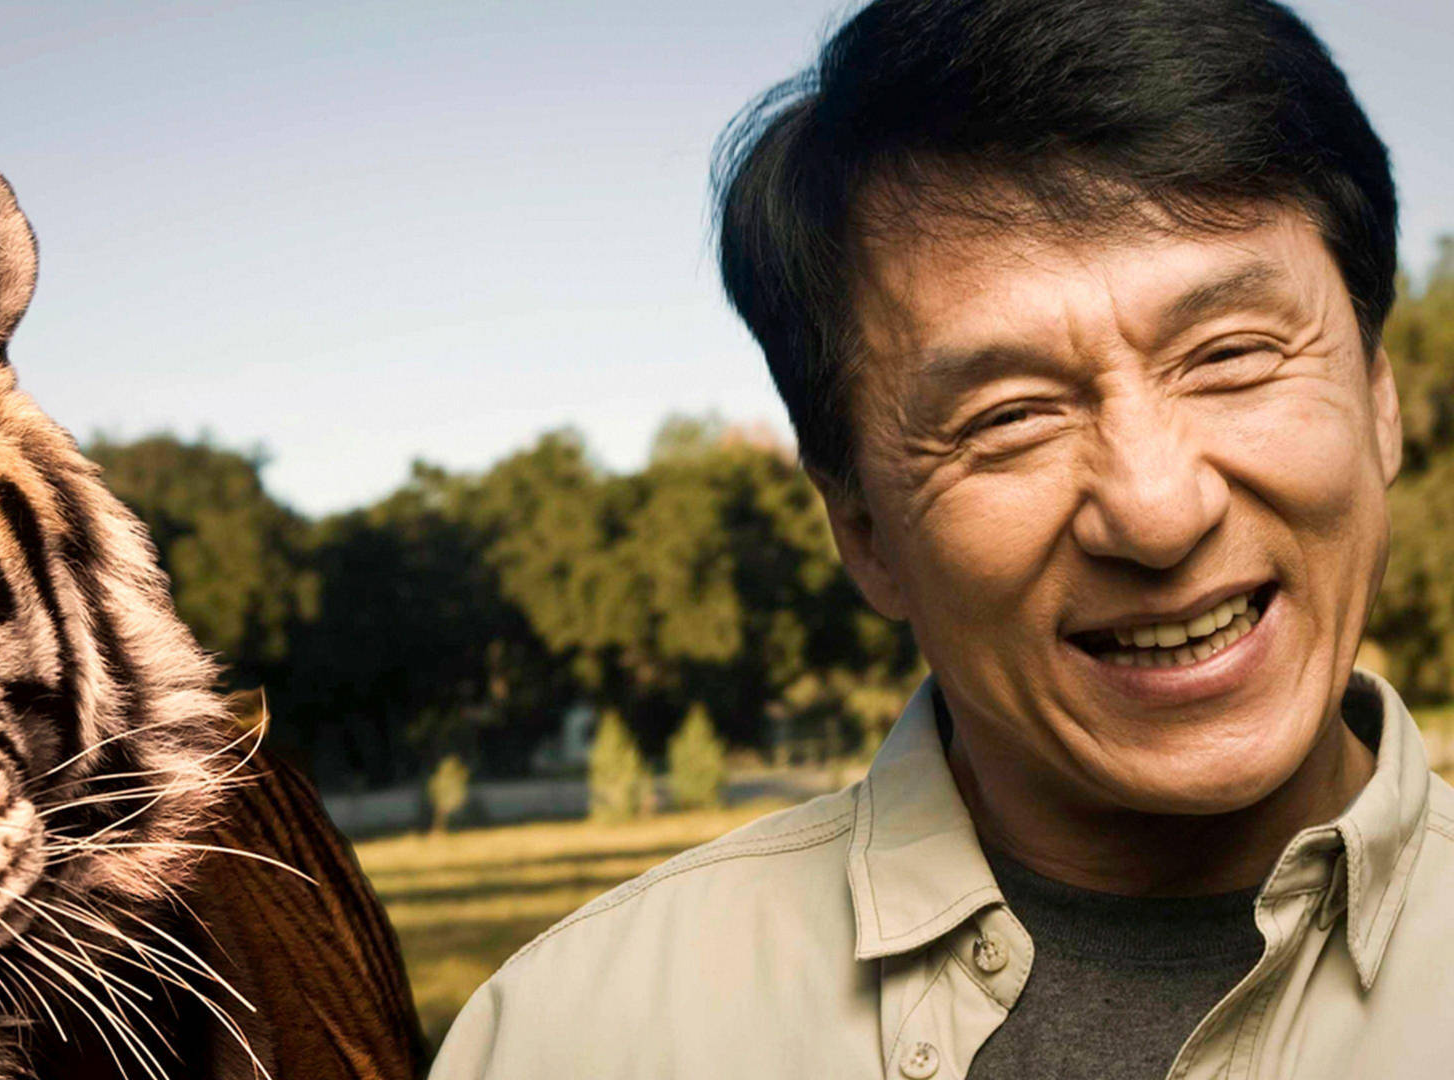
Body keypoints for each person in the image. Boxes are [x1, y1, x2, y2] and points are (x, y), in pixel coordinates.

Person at [427, 0, 1453, 1076]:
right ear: (863, 532)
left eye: (1231, 355)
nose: (1157, 513)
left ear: (1380, 401)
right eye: (1009, 417)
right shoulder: (581, 1039)